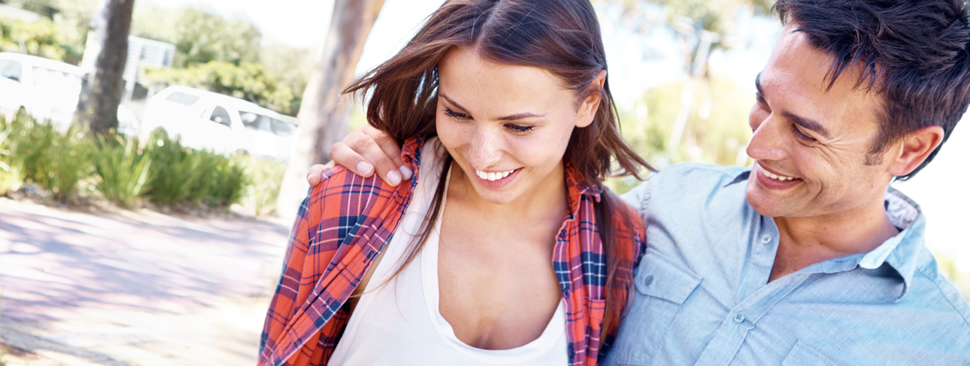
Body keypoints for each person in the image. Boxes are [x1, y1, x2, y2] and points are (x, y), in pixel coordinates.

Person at [317, 0, 970, 364]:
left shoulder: (939, 346)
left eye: (805, 132)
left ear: (909, 149)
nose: (758, 142)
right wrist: (399, 158)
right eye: (762, 101)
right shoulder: (668, 204)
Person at [259, 0, 652, 365]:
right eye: (458, 114)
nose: (483, 155)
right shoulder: (359, 194)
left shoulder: (616, 240)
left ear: (588, 101)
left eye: (519, 126)